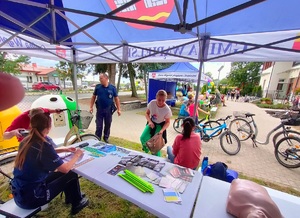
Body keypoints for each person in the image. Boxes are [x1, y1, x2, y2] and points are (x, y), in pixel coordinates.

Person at [11, 113, 89, 215]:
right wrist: (77, 155)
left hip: (20, 193)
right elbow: (65, 169)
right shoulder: (43, 145)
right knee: (70, 173)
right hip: (33, 198)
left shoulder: (26, 141)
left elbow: (43, 153)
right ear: (49, 127)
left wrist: (65, 149)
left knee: (63, 173)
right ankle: (77, 203)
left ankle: (71, 196)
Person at [89, 73, 121, 143]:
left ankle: (106, 138)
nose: (99, 80)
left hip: (108, 110)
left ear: (106, 78)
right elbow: (93, 97)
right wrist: (91, 107)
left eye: (101, 78)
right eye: (99, 78)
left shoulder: (112, 88)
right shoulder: (98, 87)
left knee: (108, 124)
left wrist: (119, 109)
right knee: (99, 125)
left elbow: (116, 99)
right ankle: (97, 138)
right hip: (99, 109)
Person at [140, 90, 172, 157]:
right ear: (156, 97)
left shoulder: (167, 109)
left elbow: (168, 122)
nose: (161, 102)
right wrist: (149, 121)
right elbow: (147, 113)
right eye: (159, 100)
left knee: (156, 146)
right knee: (143, 137)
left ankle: (157, 158)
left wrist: (162, 130)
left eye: (163, 100)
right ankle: (146, 150)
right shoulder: (152, 103)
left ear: (166, 99)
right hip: (151, 123)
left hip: (160, 126)